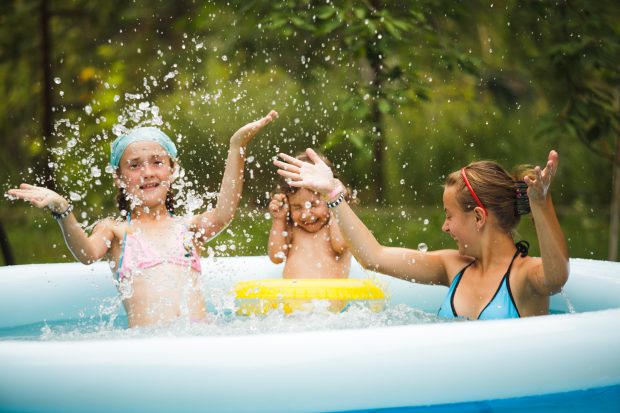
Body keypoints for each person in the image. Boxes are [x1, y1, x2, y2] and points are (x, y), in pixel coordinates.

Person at [7, 110, 277, 328]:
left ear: (173, 170)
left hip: (201, 338)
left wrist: (236, 146)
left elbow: (224, 213)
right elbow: (86, 254)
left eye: (157, 162)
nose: (147, 172)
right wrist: (63, 210)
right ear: (119, 177)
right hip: (148, 349)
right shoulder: (115, 230)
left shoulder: (187, 228)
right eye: (134, 165)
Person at [274, 148, 569, 320]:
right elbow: (373, 257)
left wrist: (542, 206)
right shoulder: (452, 266)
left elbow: (556, 277)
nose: (445, 226)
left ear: (478, 217)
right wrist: (334, 194)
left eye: (449, 215)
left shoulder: (524, 276)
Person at [267, 151, 351, 279]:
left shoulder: (334, 227)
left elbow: (340, 245)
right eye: (296, 207)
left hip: (330, 296)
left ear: (329, 198)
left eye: (313, 205)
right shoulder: (292, 229)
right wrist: (279, 219)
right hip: (293, 296)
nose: (306, 214)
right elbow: (276, 257)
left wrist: (336, 204)